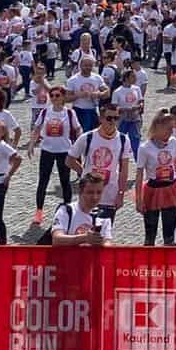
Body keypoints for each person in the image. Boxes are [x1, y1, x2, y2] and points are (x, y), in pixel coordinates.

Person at [69, 107, 134, 221]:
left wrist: (121, 194)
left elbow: (124, 170)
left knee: (103, 234)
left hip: (110, 196)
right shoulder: (87, 137)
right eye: (109, 118)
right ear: (101, 119)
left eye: (116, 118)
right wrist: (85, 174)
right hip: (88, 195)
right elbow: (69, 160)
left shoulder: (124, 140)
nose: (113, 121)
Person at [134, 110, 176, 245]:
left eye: (172, 129)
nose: (171, 132)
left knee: (170, 233)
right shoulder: (145, 148)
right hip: (153, 189)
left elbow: (175, 164)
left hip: (171, 188)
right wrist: (138, 199)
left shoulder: (173, 142)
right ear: (158, 126)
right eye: (168, 128)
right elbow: (139, 173)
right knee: (150, 232)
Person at [31, 87, 80, 224]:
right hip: (47, 150)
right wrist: (31, 145)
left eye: (57, 95)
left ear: (63, 97)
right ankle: (39, 211)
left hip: (64, 150)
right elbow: (36, 128)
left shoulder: (70, 113)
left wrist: (79, 142)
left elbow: (77, 128)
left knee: (65, 181)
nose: (54, 98)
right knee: (43, 181)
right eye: (51, 95)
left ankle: (68, 209)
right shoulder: (45, 111)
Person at [51, 173, 115, 245]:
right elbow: (56, 240)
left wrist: (101, 243)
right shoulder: (66, 210)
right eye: (90, 192)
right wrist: (84, 238)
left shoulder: (103, 216)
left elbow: (107, 244)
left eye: (99, 192)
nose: (95, 197)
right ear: (80, 192)